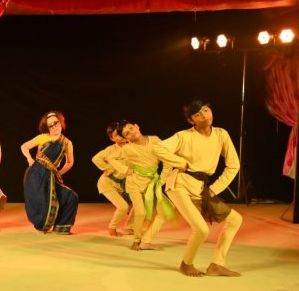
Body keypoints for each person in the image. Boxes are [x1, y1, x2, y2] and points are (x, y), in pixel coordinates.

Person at [153, 98, 242, 277]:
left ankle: (216, 264)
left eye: (206, 110)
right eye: (197, 114)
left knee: (235, 220)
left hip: (203, 188)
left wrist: (215, 189)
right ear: (191, 120)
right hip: (179, 185)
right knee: (201, 229)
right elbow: (158, 148)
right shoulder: (183, 136)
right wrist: (180, 162)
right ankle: (187, 264)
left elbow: (234, 165)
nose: (204, 116)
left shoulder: (221, 134)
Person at [108, 120, 175, 250]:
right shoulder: (128, 148)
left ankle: (147, 240)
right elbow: (111, 158)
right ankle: (136, 241)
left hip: (152, 183)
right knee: (140, 212)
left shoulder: (155, 140)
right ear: (126, 139)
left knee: (162, 213)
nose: (131, 132)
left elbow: (167, 160)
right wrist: (125, 170)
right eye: (127, 133)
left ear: (137, 126)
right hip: (134, 183)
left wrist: (162, 180)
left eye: (131, 128)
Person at [21, 111, 78, 234]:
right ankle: (42, 226)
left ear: (61, 123)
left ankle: (61, 227)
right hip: (36, 175)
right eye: (50, 125)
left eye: (55, 123)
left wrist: (59, 173)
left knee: (71, 197)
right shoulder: (43, 137)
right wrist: (29, 159)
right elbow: (24, 147)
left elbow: (69, 162)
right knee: (43, 200)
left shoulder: (67, 143)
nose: (54, 127)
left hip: (51, 176)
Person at [91, 122, 134, 237]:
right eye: (116, 135)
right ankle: (112, 228)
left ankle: (129, 227)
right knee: (123, 207)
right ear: (112, 138)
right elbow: (96, 159)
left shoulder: (132, 146)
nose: (120, 136)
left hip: (124, 184)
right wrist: (108, 167)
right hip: (107, 183)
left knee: (138, 204)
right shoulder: (110, 150)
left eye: (121, 133)